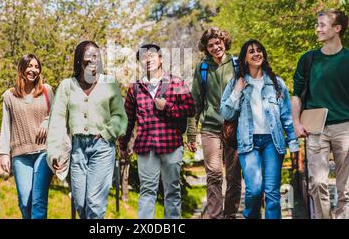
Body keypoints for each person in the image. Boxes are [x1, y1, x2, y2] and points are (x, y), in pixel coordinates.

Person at [291, 10, 349, 219]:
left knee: (345, 188)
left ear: (337, 28)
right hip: (316, 129)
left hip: (346, 128)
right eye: (318, 24)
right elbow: (296, 96)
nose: (318, 28)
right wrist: (296, 123)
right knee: (317, 183)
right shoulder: (308, 59)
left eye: (322, 25)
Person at [46, 40, 127, 219]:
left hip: (102, 147)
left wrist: (106, 133)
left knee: (95, 204)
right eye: (88, 55)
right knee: (81, 203)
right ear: (78, 60)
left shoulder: (109, 83)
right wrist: (54, 153)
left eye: (96, 56)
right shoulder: (67, 86)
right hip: (78, 149)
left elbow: (120, 117)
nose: (93, 59)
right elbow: (57, 122)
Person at [220, 39, 299, 219]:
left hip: (273, 142)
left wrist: (293, 140)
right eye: (251, 51)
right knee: (254, 190)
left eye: (259, 50)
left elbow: (286, 115)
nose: (256, 54)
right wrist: (237, 91)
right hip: (249, 144)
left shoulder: (276, 83)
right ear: (245, 58)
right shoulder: (236, 83)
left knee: (272, 193)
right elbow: (226, 112)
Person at [119, 44, 195, 219]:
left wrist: (167, 106)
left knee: (172, 190)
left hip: (171, 145)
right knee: (147, 190)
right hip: (146, 147)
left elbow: (190, 109)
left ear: (160, 59)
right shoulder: (135, 88)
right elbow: (128, 119)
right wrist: (123, 144)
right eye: (143, 57)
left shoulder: (176, 82)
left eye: (151, 56)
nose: (147, 59)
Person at [186, 27, 242, 219]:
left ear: (224, 42)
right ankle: (215, 215)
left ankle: (230, 215)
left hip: (233, 127)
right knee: (214, 174)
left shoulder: (237, 64)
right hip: (210, 128)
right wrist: (191, 134)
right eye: (210, 45)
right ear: (206, 48)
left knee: (234, 177)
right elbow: (194, 103)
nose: (215, 47)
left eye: (218, 43)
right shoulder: (202, 69)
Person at [0, 53, 54, 219]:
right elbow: (6, 125)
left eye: (36, 67)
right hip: (20, 156)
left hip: (44, 152)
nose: (33, 70)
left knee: (38, 200)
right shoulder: (9, 96)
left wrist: (46, 123)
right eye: (30, 66)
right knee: (25, 201)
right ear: (22, 69)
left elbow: (56, 115)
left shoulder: (47, 91)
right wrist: (3, 153)